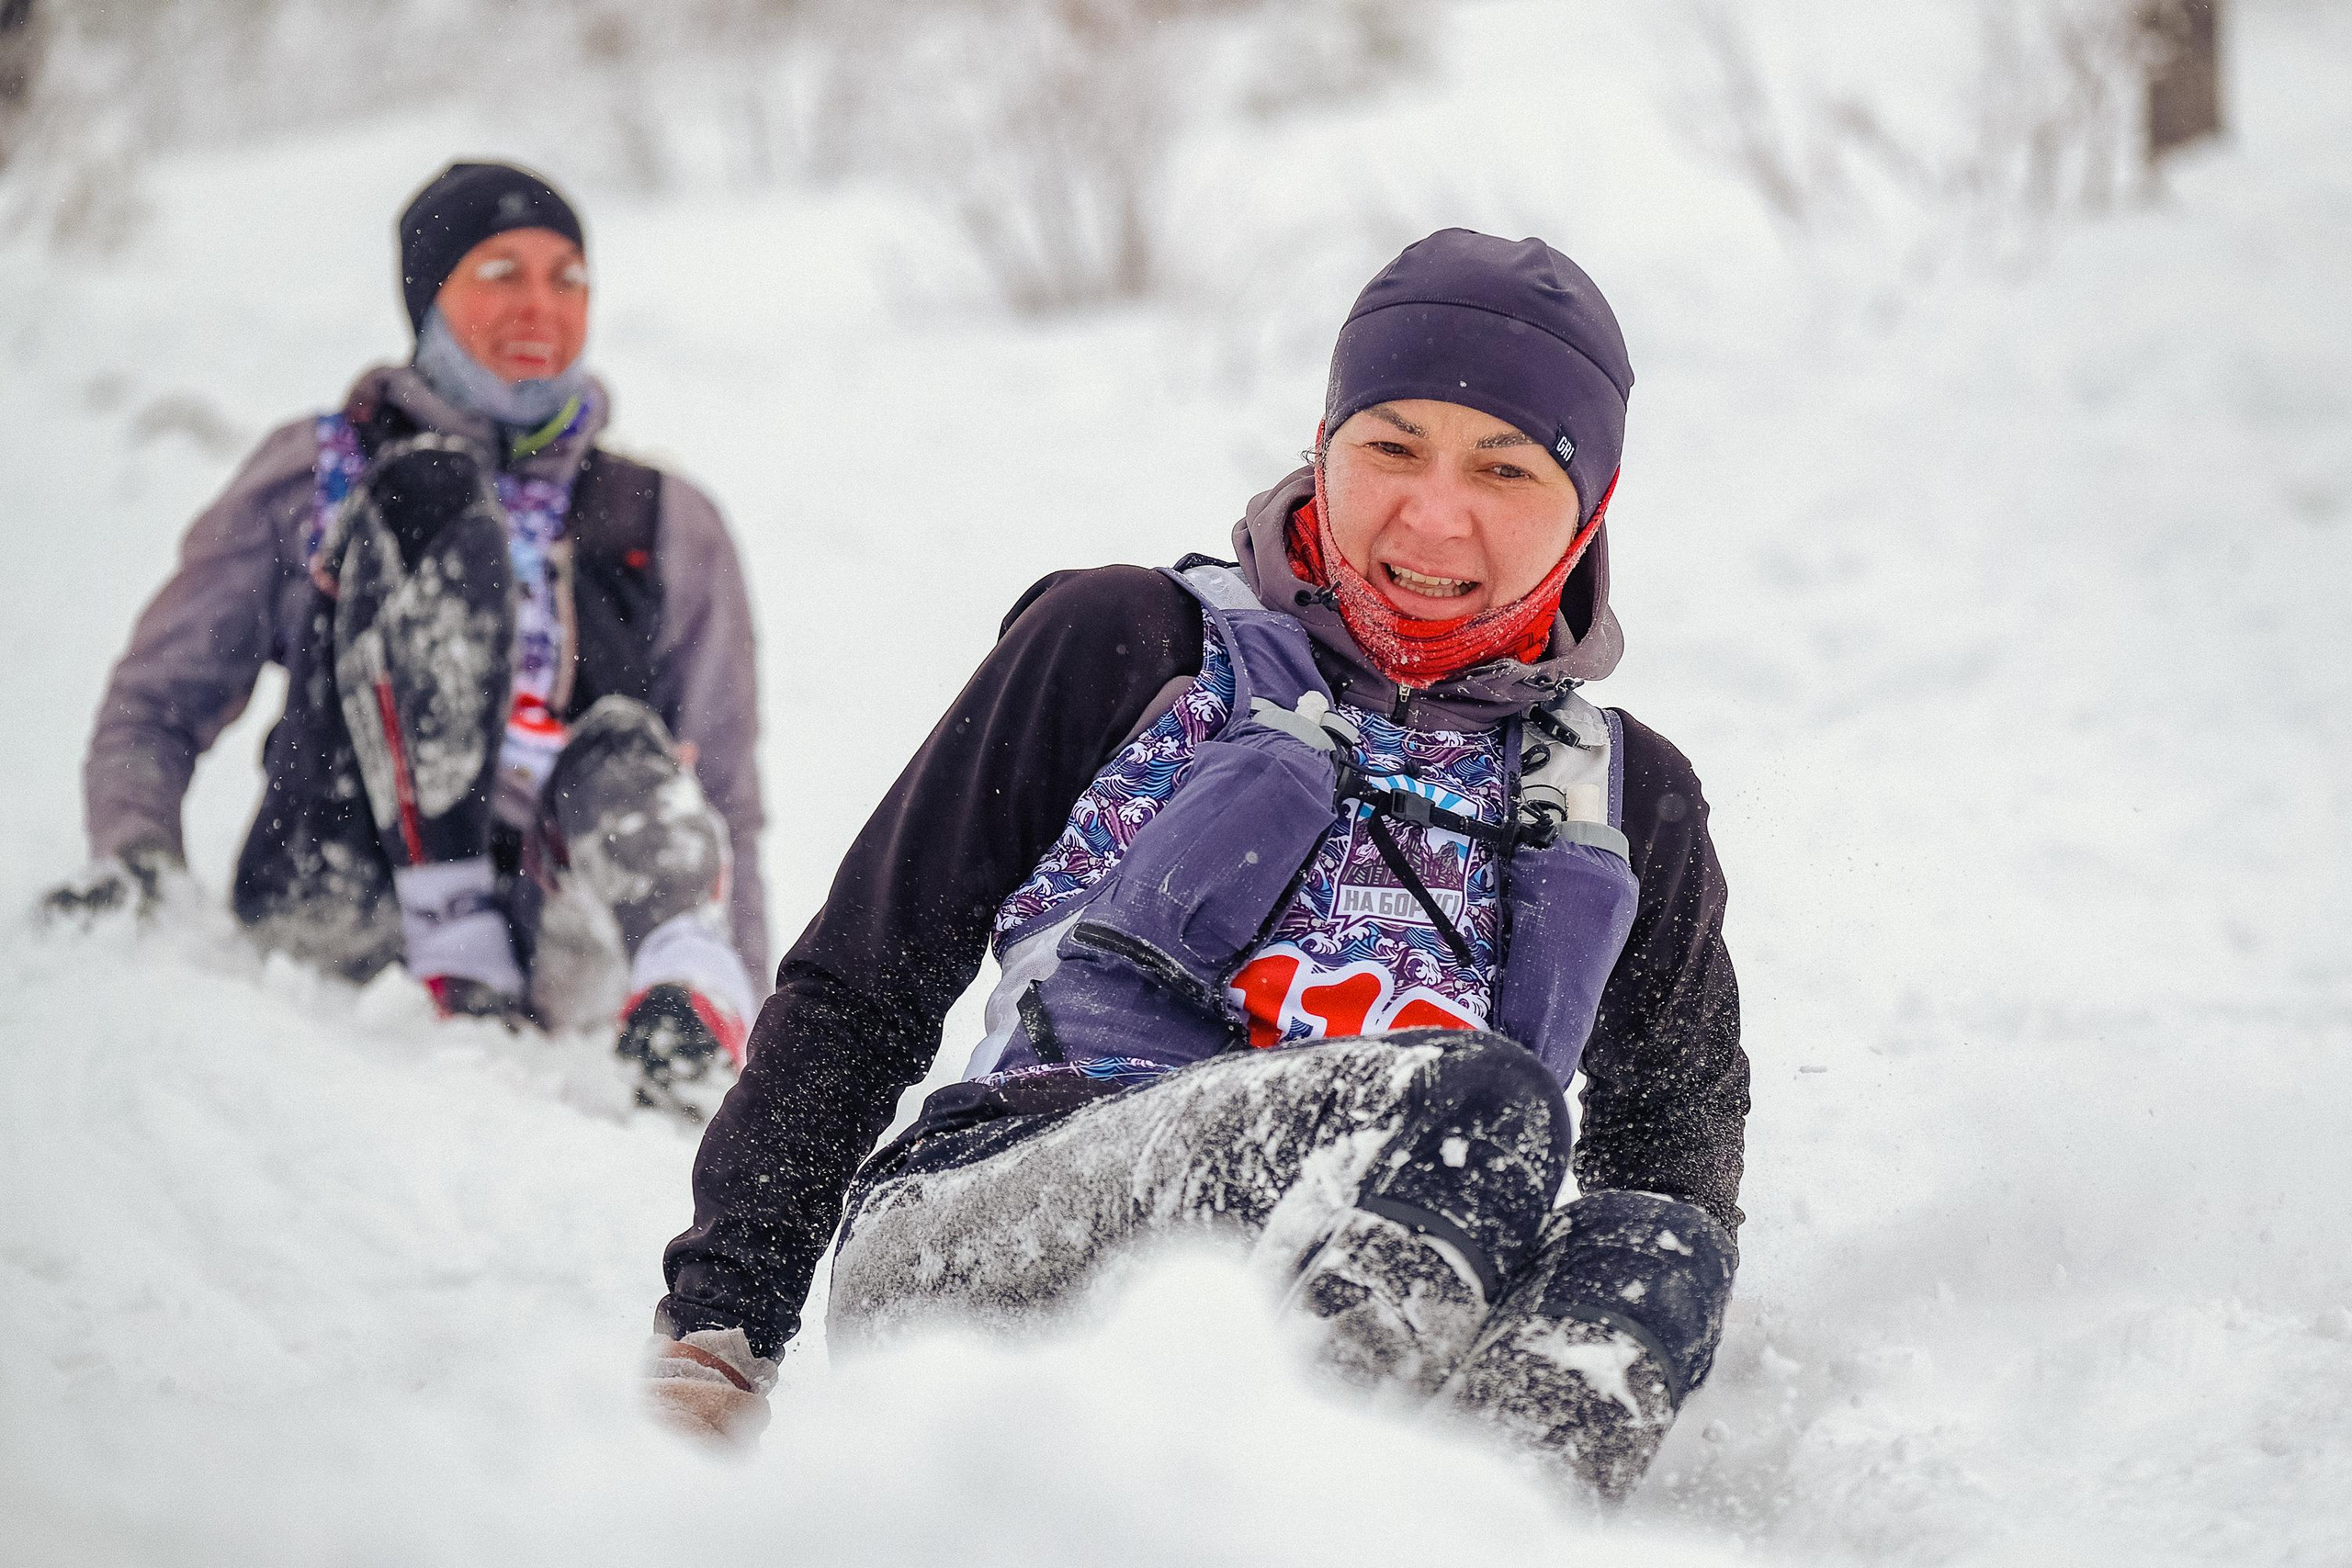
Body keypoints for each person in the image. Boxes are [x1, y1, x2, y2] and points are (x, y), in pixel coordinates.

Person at [645, 230, 1748, 1499]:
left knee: (1657, 1250)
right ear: (1322, 442)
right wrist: (716, 1339)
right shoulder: (1129, 640)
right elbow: (865, 981)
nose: (1434, 514)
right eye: (1390, 446)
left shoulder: (1627, 798)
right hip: (997, 1243)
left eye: (1505, 469)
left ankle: (1439, 1523)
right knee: (1473, 1106)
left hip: (1377, 1289)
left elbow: (1673, 1163)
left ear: (1589, 508)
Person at [49, 161, 769, 1117]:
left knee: (623, 746)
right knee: (428, 498)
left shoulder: (665, 516)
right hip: (342, 890)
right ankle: (447, 926)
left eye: (567, 278)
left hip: (562, 941)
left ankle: (685, 1006)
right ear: (429, 297)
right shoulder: (316, 472)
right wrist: (136, 852)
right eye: (500, 272)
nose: (540, 307)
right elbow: (157, 700)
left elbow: (719, 794)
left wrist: (765, 1036)